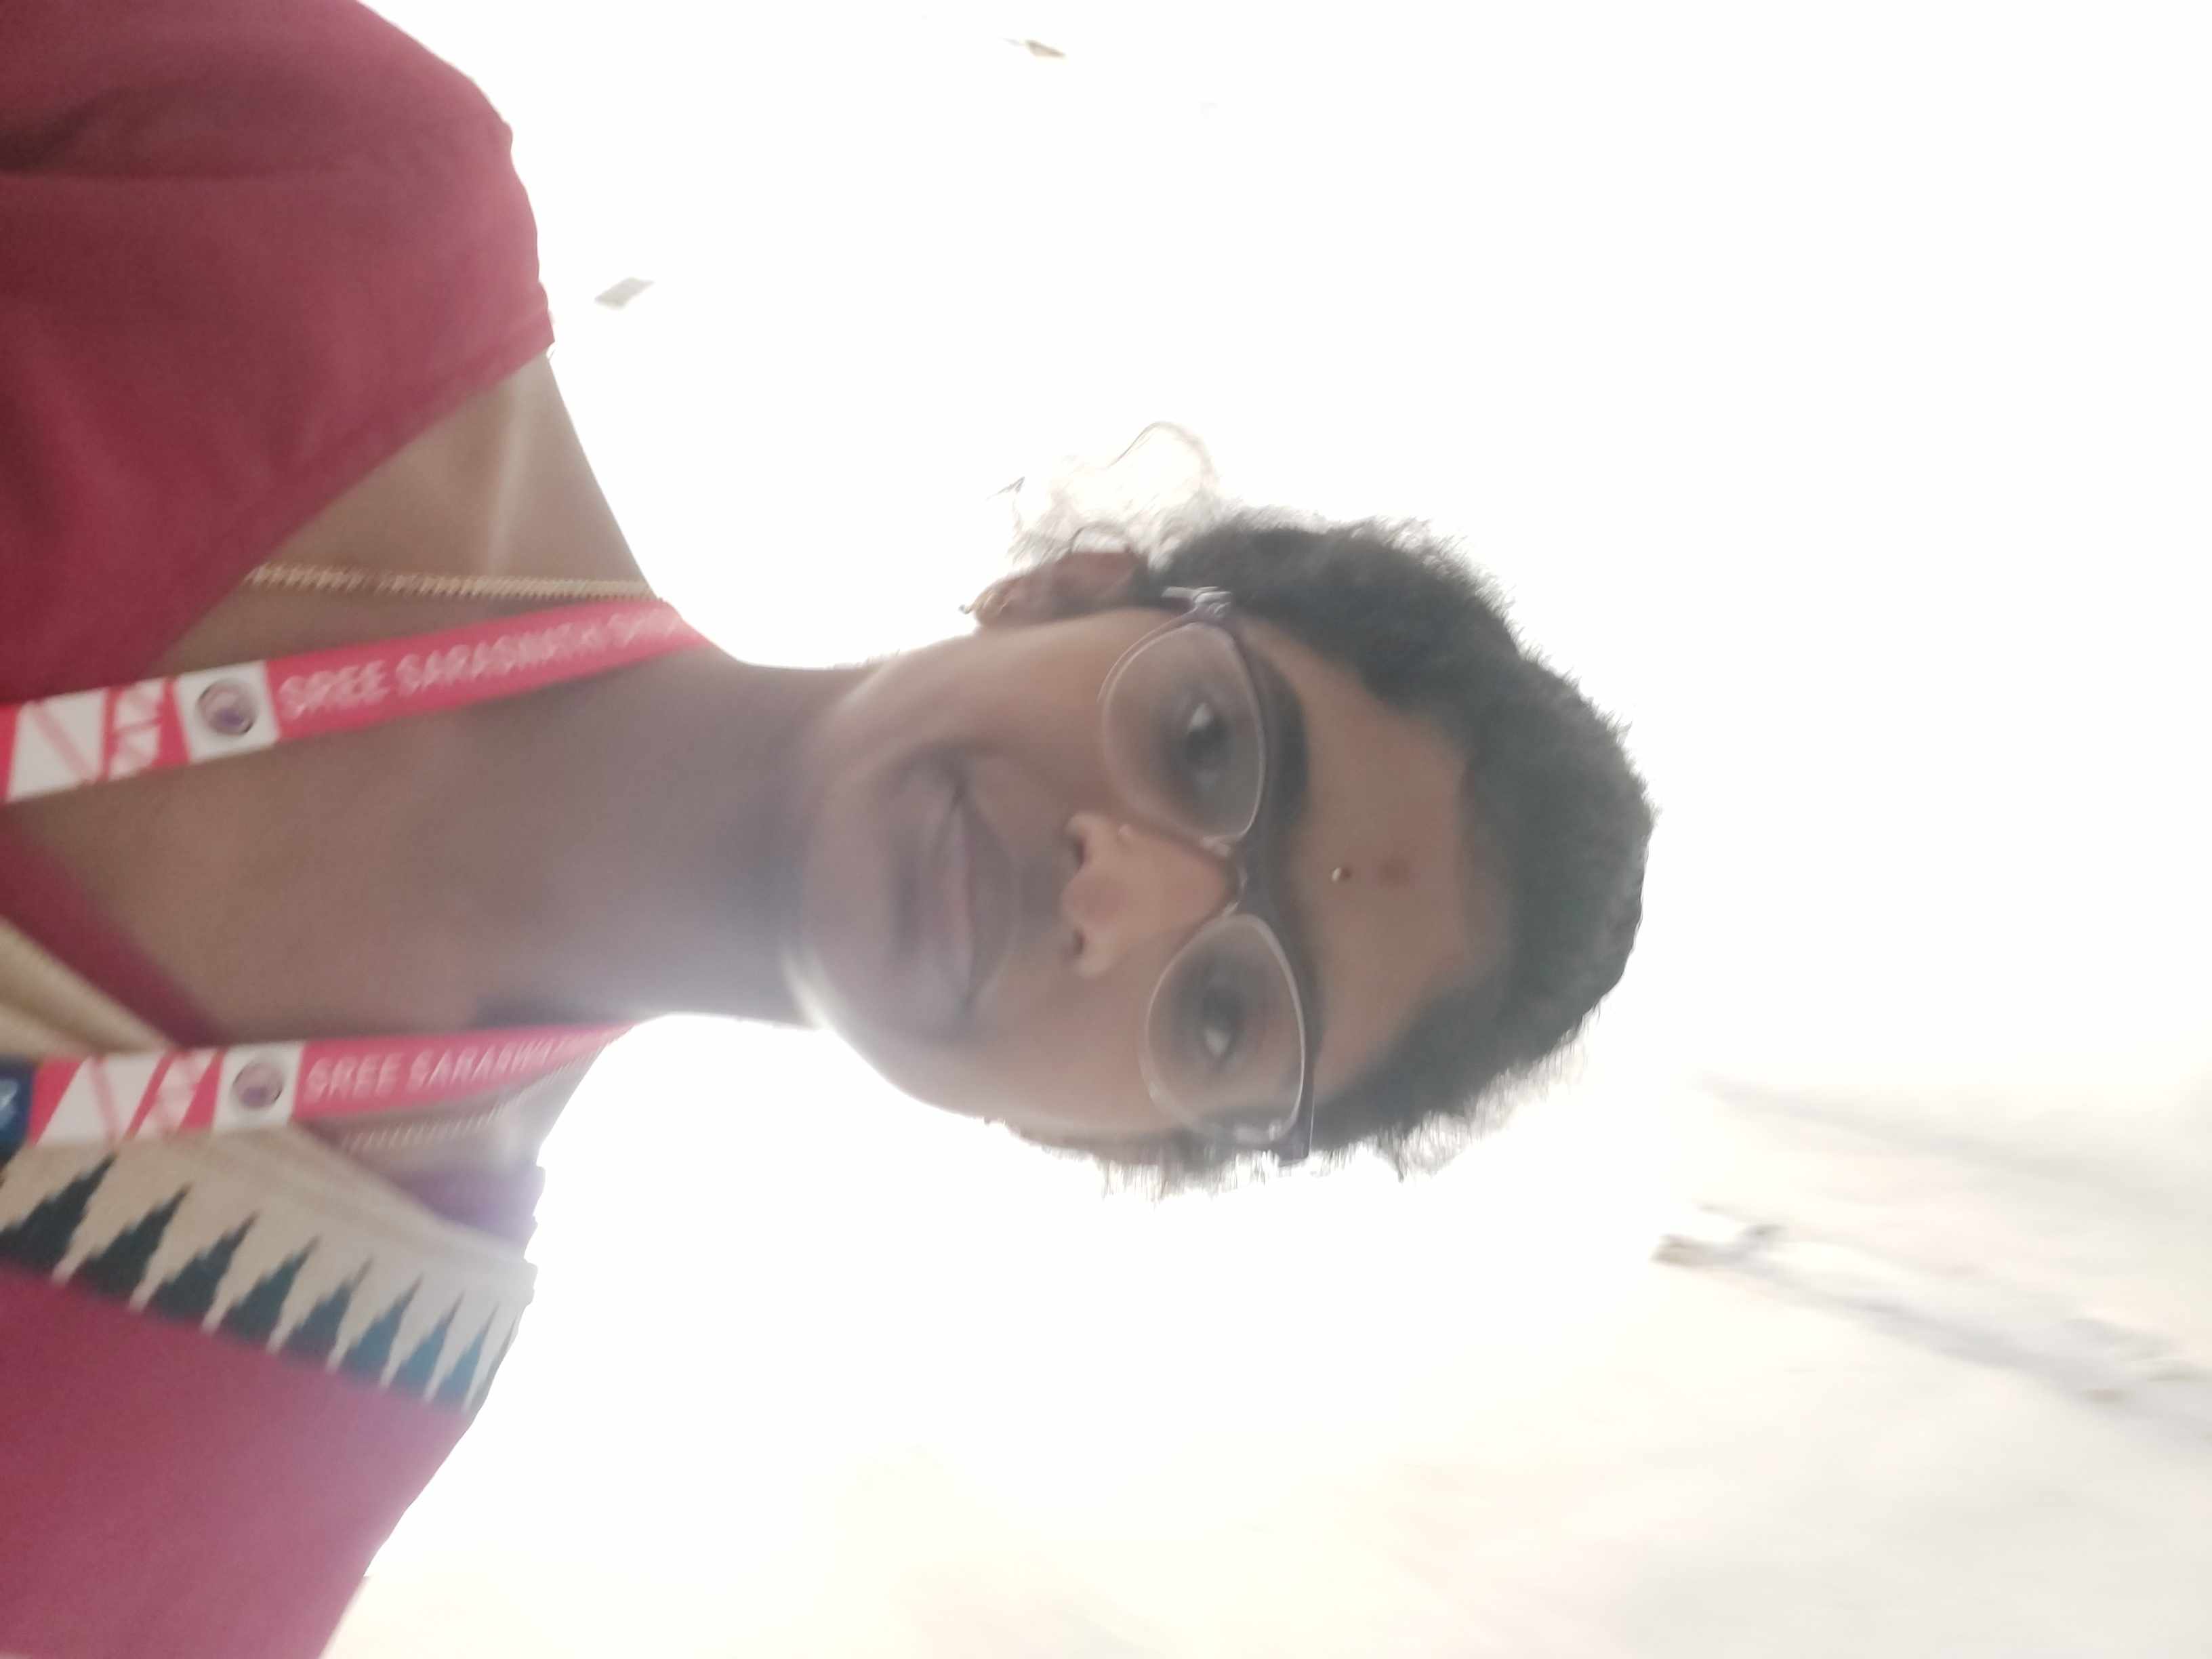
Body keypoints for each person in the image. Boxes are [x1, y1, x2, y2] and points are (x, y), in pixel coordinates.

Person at [0, 0, 1651, 1653]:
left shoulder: (281, 1438)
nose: (1119, 896)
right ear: (1068, 591)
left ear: (1117, 1141)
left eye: (1223, 1014)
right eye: (1209, 744)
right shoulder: (325, 200)